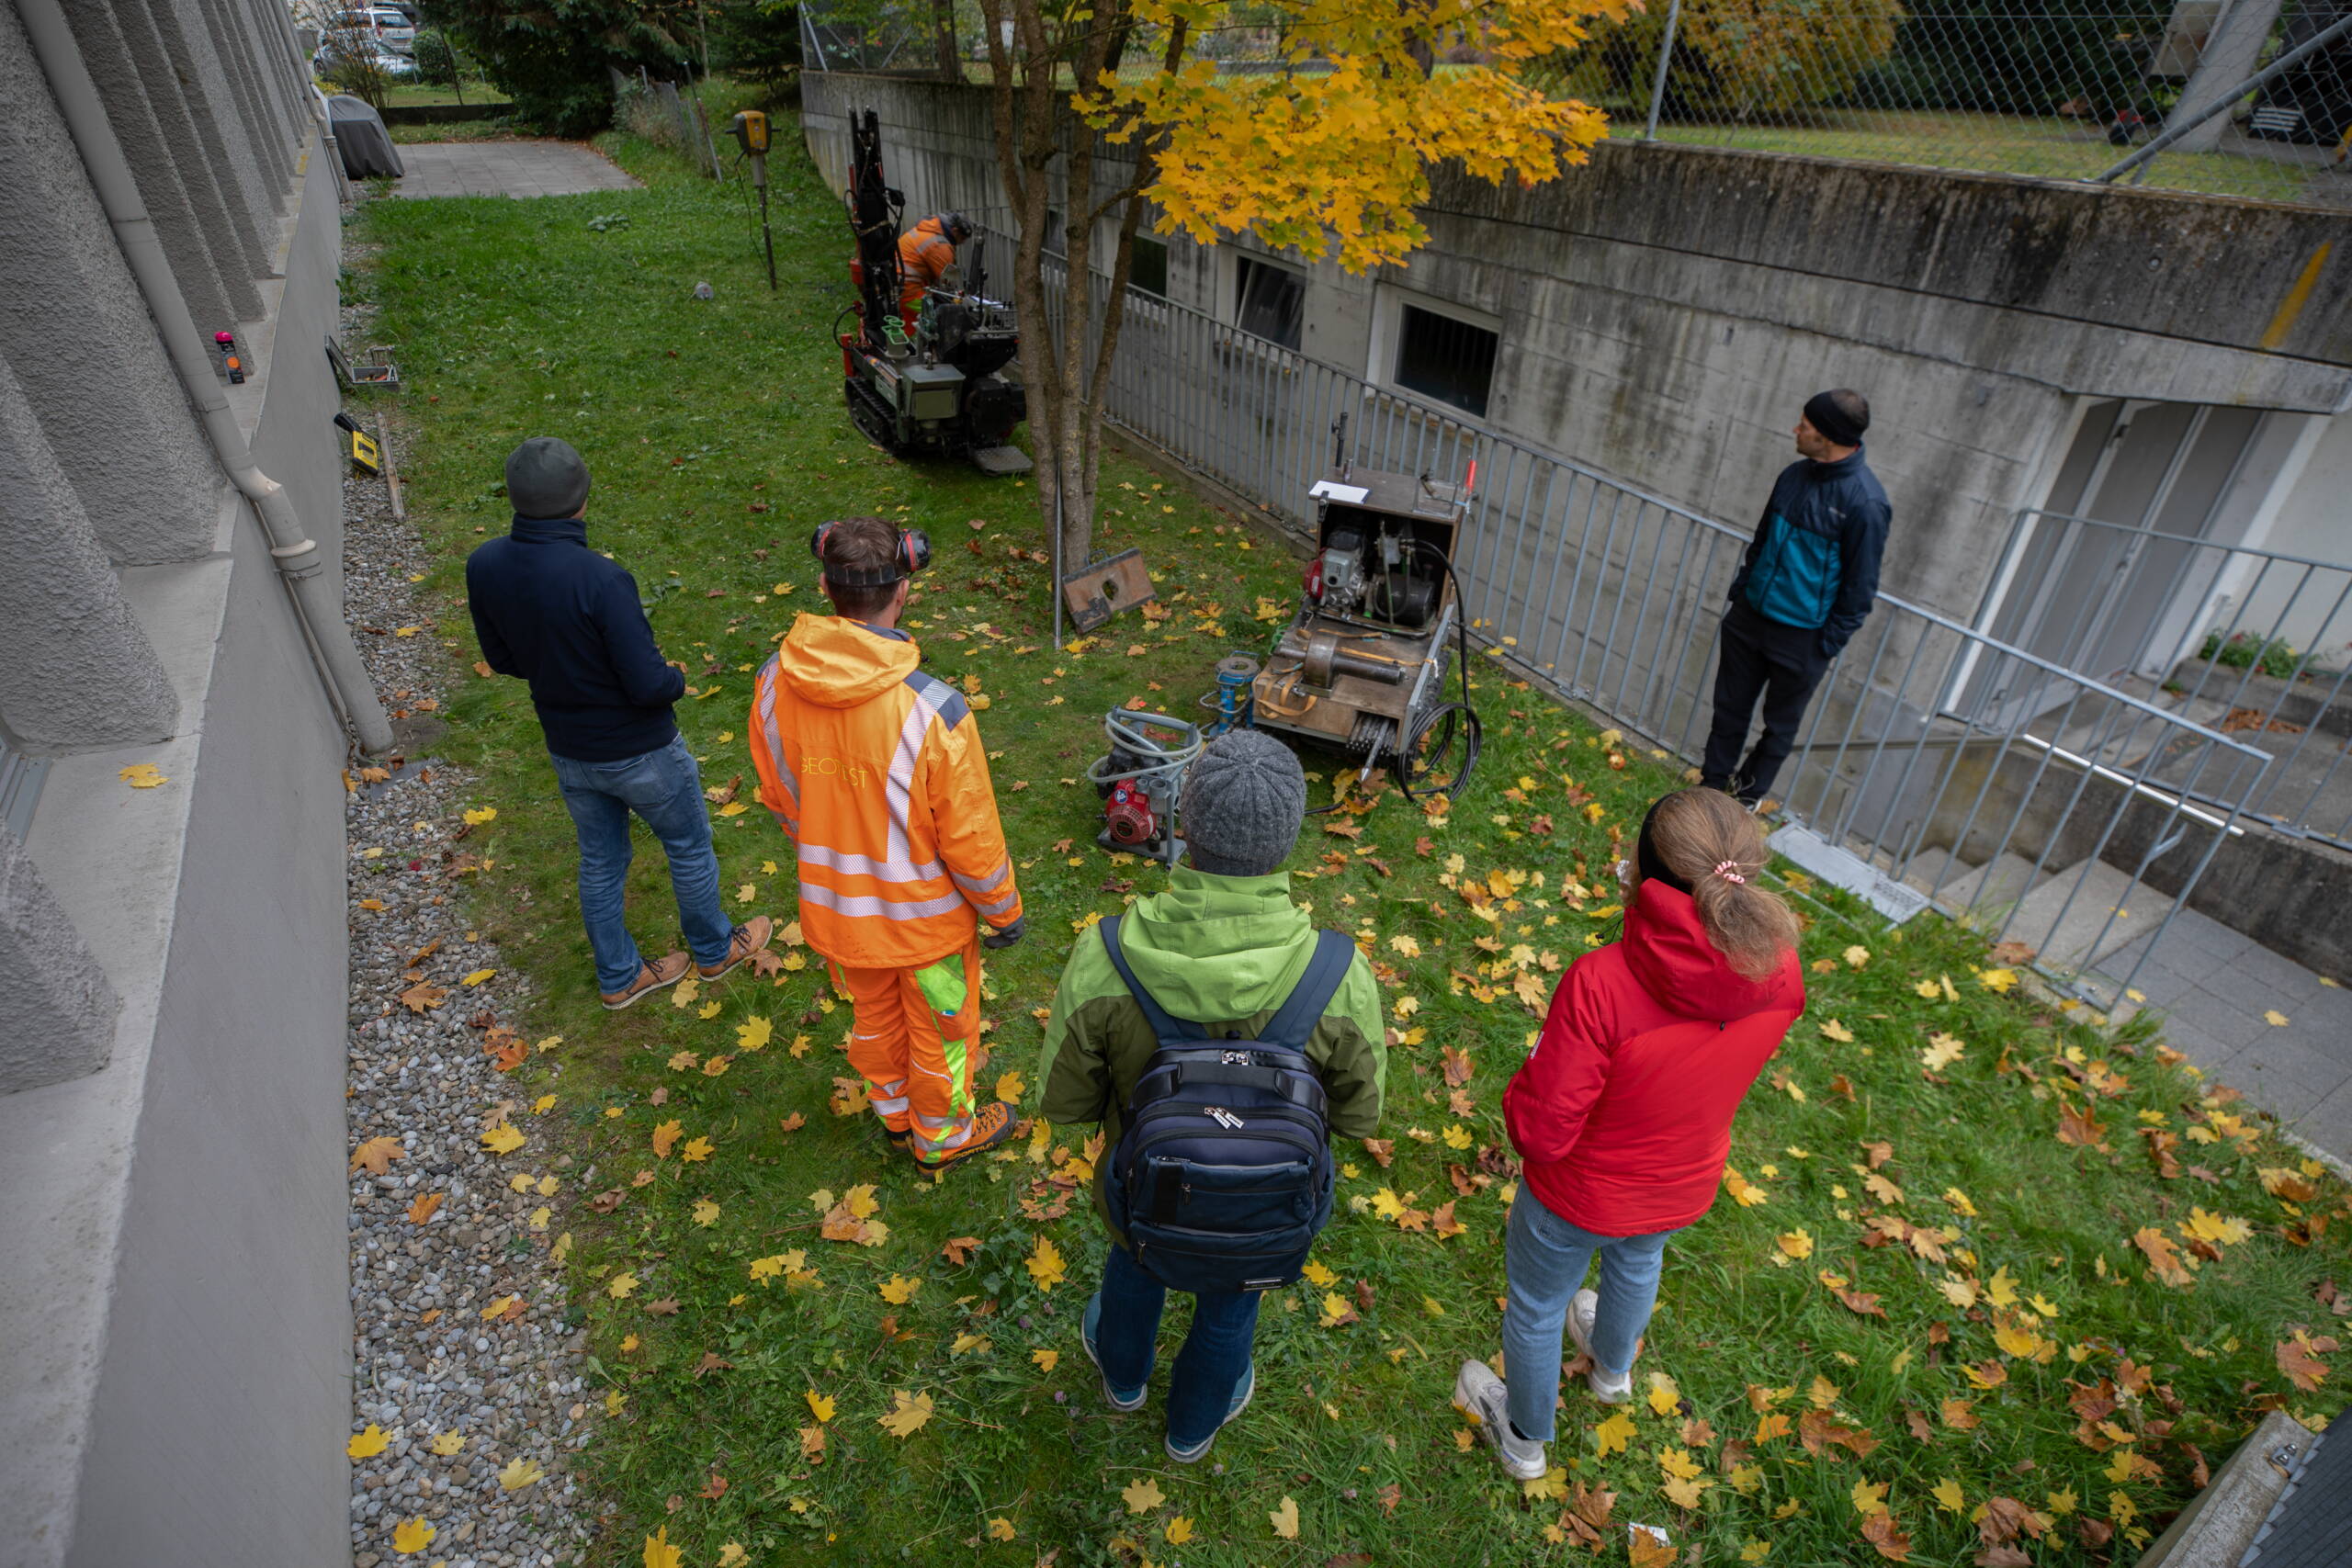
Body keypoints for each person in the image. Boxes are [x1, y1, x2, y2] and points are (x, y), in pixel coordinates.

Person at [1039, 730, 1386, 1463]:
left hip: (1142, 1192)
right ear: (1289, 837)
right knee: (1233, 1303)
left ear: (1184, 824)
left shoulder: (1107, 954)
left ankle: (1123, 1377)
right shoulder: (1339, 974)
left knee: (1133, 1269)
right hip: (1264, 1206)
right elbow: (1360, 1114)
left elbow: (1064, 1101)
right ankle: (1192, 1427)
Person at [1455, 788, 1804, 1481]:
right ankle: (1611, 1371)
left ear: (1644, 875)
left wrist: (1524, 1083)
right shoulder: (1780, 969)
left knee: (1538, 1306)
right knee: (1639, 1263)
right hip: (1681, 1181)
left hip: (1575, 1195)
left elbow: (1541, 1132)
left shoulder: (1601, 984)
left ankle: (1522, 1437)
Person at [747, 515, 1024, 1169]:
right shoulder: (933, 710)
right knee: (941, 1032)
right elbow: (971, 840)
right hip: (926, 925)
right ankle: (941, 1137)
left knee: (874, 1018)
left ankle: (896, 1113)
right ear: (903, 590)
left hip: (840, 912)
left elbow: (782, 794)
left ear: (825, 587)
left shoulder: (773, 684)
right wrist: (1004, 912)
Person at [466, 437, 772, 1009]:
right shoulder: (601, 580)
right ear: (582, 498)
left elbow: (504, 659)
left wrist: (560, 665)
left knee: (602, 861)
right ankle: (714, 951)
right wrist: (675, 678)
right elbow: (648, 685)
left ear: (513, 496)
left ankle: (621, 977)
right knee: (688, 845)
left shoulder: (484, 564)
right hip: (642, 751)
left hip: (569, 750)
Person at [1701, 389, 1891, 808]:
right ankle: (1709, 793)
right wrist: (1742, 594)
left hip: (1802, 638)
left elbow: (1860, 589)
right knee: (1729, 709)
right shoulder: (1792, 475)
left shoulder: (1866, 504)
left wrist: (1824, 645)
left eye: (1804, 425)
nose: (1795, 430)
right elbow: (1762, 540)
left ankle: (1743, 800)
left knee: (1779, 728)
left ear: (1827, 436)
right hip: (1750, 617)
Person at [897, 210, 971, 322]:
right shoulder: (940, 245)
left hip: (898, 284)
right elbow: (949, 284)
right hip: (909, 292)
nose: (961, 243)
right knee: (938, 319)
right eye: (962, 238)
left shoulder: (926, 230)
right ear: (955, 231)